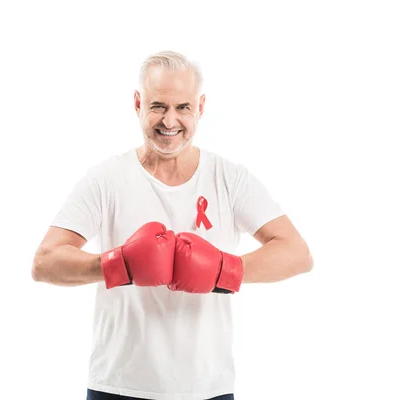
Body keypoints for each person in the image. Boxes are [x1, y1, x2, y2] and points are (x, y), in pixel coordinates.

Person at [31, 50, 313, 400]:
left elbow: (297, 253)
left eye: (183, 107)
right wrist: (118, 264)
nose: (169, 121)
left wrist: (224, 270)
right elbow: (44, 263)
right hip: (117, 385)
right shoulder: (107, 179)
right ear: (137, 103)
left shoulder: (229, 178)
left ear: (201, 107)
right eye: (158, 106)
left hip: (207, 389)